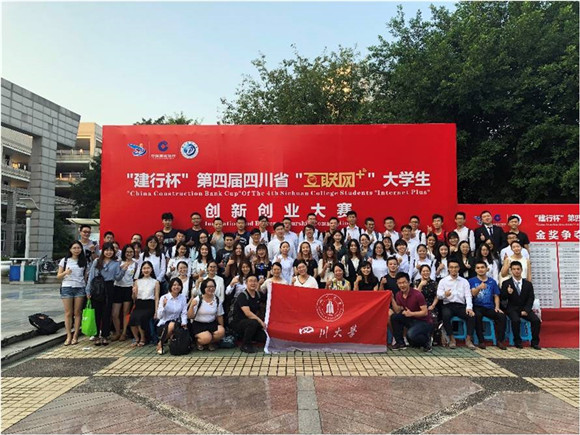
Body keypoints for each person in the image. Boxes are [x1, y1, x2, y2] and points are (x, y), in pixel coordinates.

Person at [86, 242, 128, 346]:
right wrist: (88, 290)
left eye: (111, 250)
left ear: (114, 252)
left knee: (106, 313)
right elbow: (91, 276)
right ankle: (96, 335)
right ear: (103, 251)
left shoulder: (116, 263)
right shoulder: (97, 261)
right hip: (97, 287)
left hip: (109, 288)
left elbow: (117, 278)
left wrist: (123, 270)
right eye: (106, 250)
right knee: (96, 313)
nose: (108, 252)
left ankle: (105, 335)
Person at [500, 261, 541, 349]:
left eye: (518, 269)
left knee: (536, 320)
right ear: (511, 271)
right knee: (515, 320)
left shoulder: (528, 284)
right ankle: (517, 342)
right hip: (512, 309)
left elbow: (531, 298)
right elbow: (502, 298)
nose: (516, 271)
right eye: (514, 269)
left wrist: (526, 310)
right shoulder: (506, 283)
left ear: (521, 270)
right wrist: (507, 292)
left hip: (525, 308)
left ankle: (535, 342)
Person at [436, 259, 476, 350]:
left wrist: (469, 308)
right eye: (451, 267)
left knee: (471, 316)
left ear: (459, 268)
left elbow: (468, 296)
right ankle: (452, 339)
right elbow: (438, 295)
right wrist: (444, 294)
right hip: (448, 305)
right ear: (448, 268)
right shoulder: (443, 281)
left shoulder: (464, 281)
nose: (453, 269)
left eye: (455, 267)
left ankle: (468, 340)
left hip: (460, 306)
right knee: (445, 315)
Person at [391, 272, 433, 352]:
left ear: (409, 282)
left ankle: (427, 341)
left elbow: (425, 312)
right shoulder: (398, 295)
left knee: (411, 335)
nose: (402, 285)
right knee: (394, 317)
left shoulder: (417, 294)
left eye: (404, 282)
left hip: (423, 321)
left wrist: (411, 314)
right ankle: (400, 343)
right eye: (400, 283)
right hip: (411, 319)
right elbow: (397, 310)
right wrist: (392, 299)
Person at [469, 261, 507, 350]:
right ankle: (481, 341)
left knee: (502, 316)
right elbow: (472, 294)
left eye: (482, 267)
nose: (480, 269)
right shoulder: (471, 281)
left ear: (487, 269)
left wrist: (497, 307)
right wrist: (479, 288)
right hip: (477, 306)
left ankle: (500, 341)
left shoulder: (492, 281)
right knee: (477, 316)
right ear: (475, 270)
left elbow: (496, 296)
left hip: (489, 307)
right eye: (478, 268)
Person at [57, 241, 88, 346]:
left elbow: (85, 277)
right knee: (68, 313)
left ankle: (75, 335)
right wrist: (65, 272)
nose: (76, 250)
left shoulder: (84, 261)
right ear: (70, 249)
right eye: (74, 248)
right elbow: (58, 276)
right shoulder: (65, 260)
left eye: (78, 248)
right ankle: (68, 335)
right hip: (67, 287)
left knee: (77, 312)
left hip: (80, 288)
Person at [187, 278, 226, 351]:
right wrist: (191, 306)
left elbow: (220, 315)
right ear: (203, 288)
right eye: (208, 287)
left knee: (221, 332)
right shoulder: (197, 300)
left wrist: (221, 327)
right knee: (206, 338)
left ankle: (210, 343)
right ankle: (199, 342)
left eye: (213, 287)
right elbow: (190, 316)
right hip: (199, 324)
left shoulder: (217, 300)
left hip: (211, 323)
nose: (211, 289)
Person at [231, 274, 266, 353]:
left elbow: (269, 300)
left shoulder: (258, 294)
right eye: (250, 281)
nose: (253, 283)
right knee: (253, 322)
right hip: (239, 323)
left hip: (251, 323)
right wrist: (261, 322)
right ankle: (245, 345)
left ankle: (246, 337)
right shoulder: (242, 296)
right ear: (246, 283)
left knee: (263, 337)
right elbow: (248, 313)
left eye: (255, 281)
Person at [129, 261, 160, 347]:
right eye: (144, 268)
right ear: (141, 270)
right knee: (132, 318)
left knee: (140, 318)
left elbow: (156, 297)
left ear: (151, 269)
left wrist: (156, 311)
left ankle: (143, 338)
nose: (146, 270)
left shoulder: (155, 282)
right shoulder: (137, 281)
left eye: (148, 268)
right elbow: (134, 298)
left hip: (149, 305)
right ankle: (136, 338)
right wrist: (133, 292)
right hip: (139, 304)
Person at [111, 244, 138, 342]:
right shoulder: (118, 262)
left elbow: (135, 278)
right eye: (127, 252)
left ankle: (124, 333)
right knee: (115, 313)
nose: (129, 254)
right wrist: (122, 269)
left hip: (128, 288)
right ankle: (117, 332)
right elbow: (115, 276)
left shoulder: (136, 264)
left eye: (131, 252)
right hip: (117, 288)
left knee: (126, 313)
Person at [156, 277, 188, 354]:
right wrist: (163, 306)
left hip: (178, 322)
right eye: (174, 285)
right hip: (164, 323)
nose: (176, 287)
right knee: (171, 325)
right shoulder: (164, 297)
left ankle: (165, 343)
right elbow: (159, 316)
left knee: (175, 325)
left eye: (178, 285)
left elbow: (184, 312)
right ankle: (161, 344)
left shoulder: (183, 297)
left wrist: (184, 323)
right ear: (170, 286)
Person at [414, 264, 440, 344]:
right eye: (423, 271)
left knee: (433, 317)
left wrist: (433, 305)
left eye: (427, 271)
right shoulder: (416, 282)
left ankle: (431, 337)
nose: (426, 273)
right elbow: (415, 296)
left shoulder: (434, 283)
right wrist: (421, 285)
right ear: (420, 272)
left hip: (430, 305)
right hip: (419, 306)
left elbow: (437, 296)